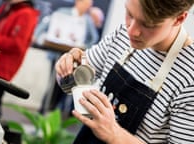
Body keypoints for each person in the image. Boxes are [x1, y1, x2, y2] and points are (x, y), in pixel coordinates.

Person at [55, 0, 194, 143]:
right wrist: (66, 69)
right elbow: (69, 87)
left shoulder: (189, 78)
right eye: (129, 14)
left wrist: (115, 135)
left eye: (147, 24)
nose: (132, 31)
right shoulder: (121, 35)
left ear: (179, 18)